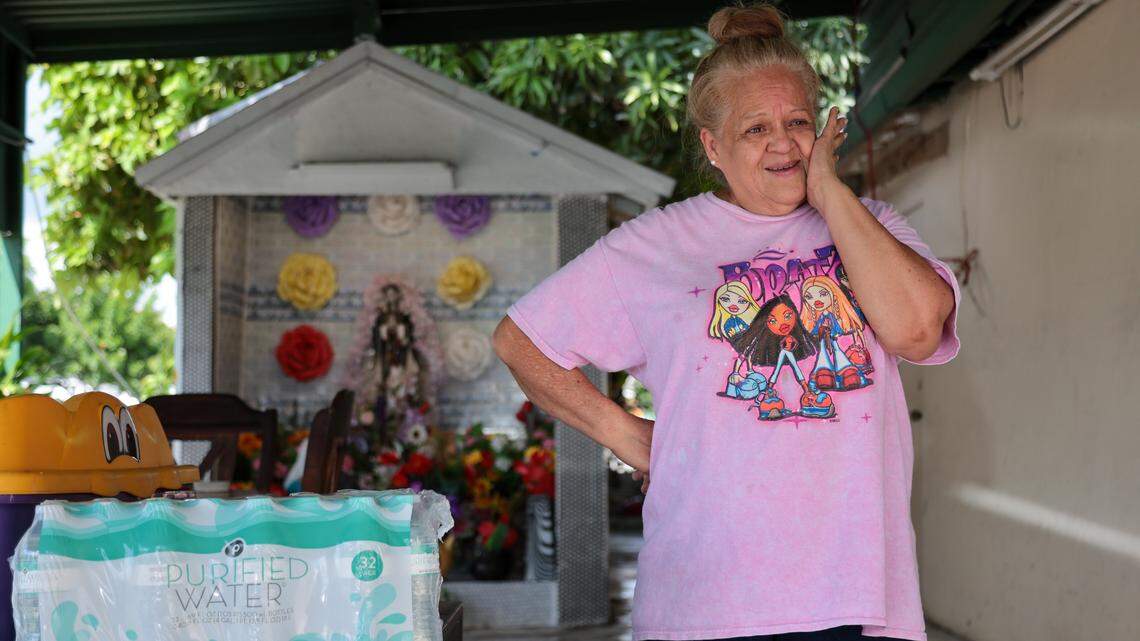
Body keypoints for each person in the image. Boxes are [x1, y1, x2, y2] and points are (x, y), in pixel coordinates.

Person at [492, 4, 959, 641]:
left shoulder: (871, 226)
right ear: (713, 146)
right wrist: (626, 432)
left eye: (798, 122)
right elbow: (521, 341)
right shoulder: (655, 246)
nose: (783, 143)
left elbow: (917, 330)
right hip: (705, 597)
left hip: (852, 594)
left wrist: (830, 193)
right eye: (755, 128)